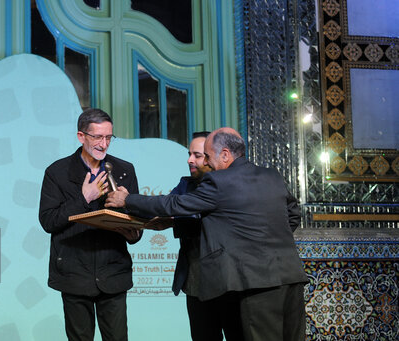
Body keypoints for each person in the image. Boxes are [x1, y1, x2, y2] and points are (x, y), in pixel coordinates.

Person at [106, 127, 308, 341]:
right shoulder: (271, 176)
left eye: (208, 157)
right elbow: (293, 214)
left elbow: (174, 204)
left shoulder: (219, 181)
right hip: (291, 277)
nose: (207, 164)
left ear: (225, 154)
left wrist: (128, 200)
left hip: (257, 282)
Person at [39, 108, 141, 341]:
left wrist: (127, 207)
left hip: (113, 272)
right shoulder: (57, 172)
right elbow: (48, 221)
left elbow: (135, 230)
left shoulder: (124, 170)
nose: (104, 144)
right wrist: (84, 198)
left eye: (108, 137)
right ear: (81, 136)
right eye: (97, 137)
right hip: (74, 273)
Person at [146, 131, 243, 341]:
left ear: (212, 157)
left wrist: (178, 221)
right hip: (196, 283)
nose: (190, 160)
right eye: (190, 154)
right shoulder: (185, 185)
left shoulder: (232, 185)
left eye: (198, 155)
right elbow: (163, 207)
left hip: (230, 283)